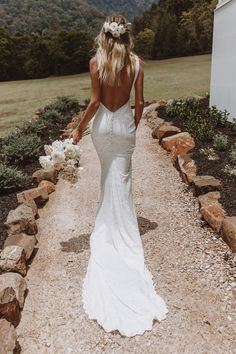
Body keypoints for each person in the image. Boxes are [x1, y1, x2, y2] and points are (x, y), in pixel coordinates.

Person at [72, 14, 168, 337]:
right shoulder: (137, 64)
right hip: (124, 126)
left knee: (106, 178)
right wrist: (133, 126)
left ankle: (107, 228)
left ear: (104, 35)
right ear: (126, 36)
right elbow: (139, 103)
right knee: (122, 182)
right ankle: (121, 230)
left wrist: (78, 129)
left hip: (102, 128)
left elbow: (96, 102)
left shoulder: (95, 63)